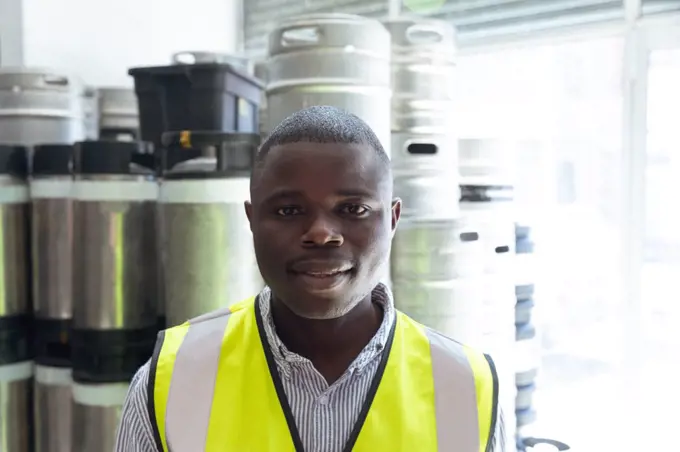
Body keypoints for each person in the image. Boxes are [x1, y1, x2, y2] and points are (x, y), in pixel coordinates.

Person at [114, 106, 505, 452]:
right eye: (288, 210)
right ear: (252, 222)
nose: (321, 233)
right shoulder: (169, 380)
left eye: (352, 208)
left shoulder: (467, 388)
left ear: (392, 219)